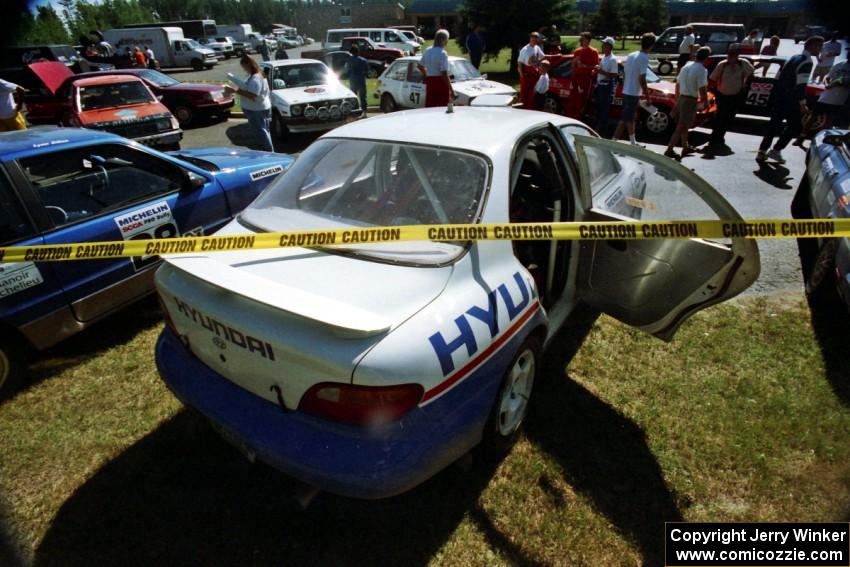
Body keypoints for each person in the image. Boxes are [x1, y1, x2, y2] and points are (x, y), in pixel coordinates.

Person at [757, 36, 823, 164]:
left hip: (780, 96)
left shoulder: (794, 58)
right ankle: (776, 150)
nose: (820, 50)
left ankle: (762, 151)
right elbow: (801, 85)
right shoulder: (807, 62)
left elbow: (780, 77)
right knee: (795, 126)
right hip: (791, 100)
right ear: (812, 46)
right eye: (819, 47)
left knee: (773, 125)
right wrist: (802, 103)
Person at [705, 43, 753, 153]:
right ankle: (714, 137)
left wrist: (745, 83)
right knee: (719, 117)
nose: (731, 56)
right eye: (730, 54)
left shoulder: (743, 64)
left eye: (734, 54)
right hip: (722, 95)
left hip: (735, 95)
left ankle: (720, 137)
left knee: (729, 118)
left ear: (737, 55)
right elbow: (712, 79)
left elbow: (751, 73)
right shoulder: (722, 65)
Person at [665, 46, 710, 159]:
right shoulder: (702, 70)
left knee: (685, 125)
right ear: (706, 58)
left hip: (682, 97)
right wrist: (706, 102)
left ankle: (685, 146)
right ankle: (669, 149)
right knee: (681, 125)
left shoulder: (687, 65)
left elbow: (677, 83)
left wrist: (677, 98)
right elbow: (702, 88)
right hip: (690, 100)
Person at [613, 33, 656, 146]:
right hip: (633, 93)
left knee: (630, 118)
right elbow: (642, 79)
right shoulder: (644, 58)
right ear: (651, 45)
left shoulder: (631, 55)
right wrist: (647, 96)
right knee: (625, 119)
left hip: (627, 91)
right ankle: (614, 141)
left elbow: (624, 68)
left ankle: (632, 142)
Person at [225, 55, 274, 152]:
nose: (243, 70)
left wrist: (234, 90)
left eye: (243, 67)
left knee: (261, 132)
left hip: (256, 110)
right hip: (261, 108)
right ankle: (268, 151)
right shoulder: (259, 75)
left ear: (248, 65)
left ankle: (269, 152)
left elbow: (253, 95)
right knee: (264, 131)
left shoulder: (256, 78)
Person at [565, 31, 599, 119]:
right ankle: (570, 118)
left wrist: (585, 66)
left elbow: (596, 67)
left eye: (583, 39)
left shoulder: (593, 52)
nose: (581, 40)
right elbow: (572, 66)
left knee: (581, 100)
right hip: (575, 78)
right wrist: (575, 61)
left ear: (588, 40)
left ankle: (579, 118)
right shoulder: (577, 51)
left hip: (585, 79)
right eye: (580, 39)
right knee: (572, 100)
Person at [418, 29, 454, 107]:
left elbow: (420, 66)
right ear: (444, 40)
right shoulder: (442, 53)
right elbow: (444, 73)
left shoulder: (428, 50)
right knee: (442, 106)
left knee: (430, 105)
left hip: (430, 81)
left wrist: (427, 74)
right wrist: (452, 90)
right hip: (441, 82)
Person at [594, 36, 619, 135]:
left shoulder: (613, 59)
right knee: (599, 108)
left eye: (604, 44)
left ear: (609, 46)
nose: (602, 46)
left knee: (604, 109)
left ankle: (603, 131)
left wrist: (601, 71)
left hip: (606, 86)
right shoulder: (605, 57)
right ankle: (598, 129)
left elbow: (614, 74)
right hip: (601, 85)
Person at [517, 31, 545, 109]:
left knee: (532, 94)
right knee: (524, 95)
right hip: (527, 74)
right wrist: (521, 75)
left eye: (536, 38)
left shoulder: (537, 47)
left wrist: (538, 62)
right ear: (530, 38)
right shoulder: (525, 49)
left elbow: (542, 57)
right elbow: (519, 63)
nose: (535, 39)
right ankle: (523, 109)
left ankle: (530, 108)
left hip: (534, 74)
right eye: (533, 38)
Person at [347, 44, 369, 115]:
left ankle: (354, 111)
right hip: (361, 80)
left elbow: (348, 71)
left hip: (353, 80)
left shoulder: (349, 61)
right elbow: (366, 70)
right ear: (358, 51)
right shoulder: (364, 60)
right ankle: (364, 112)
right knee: (363, 97)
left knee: (353, 97)